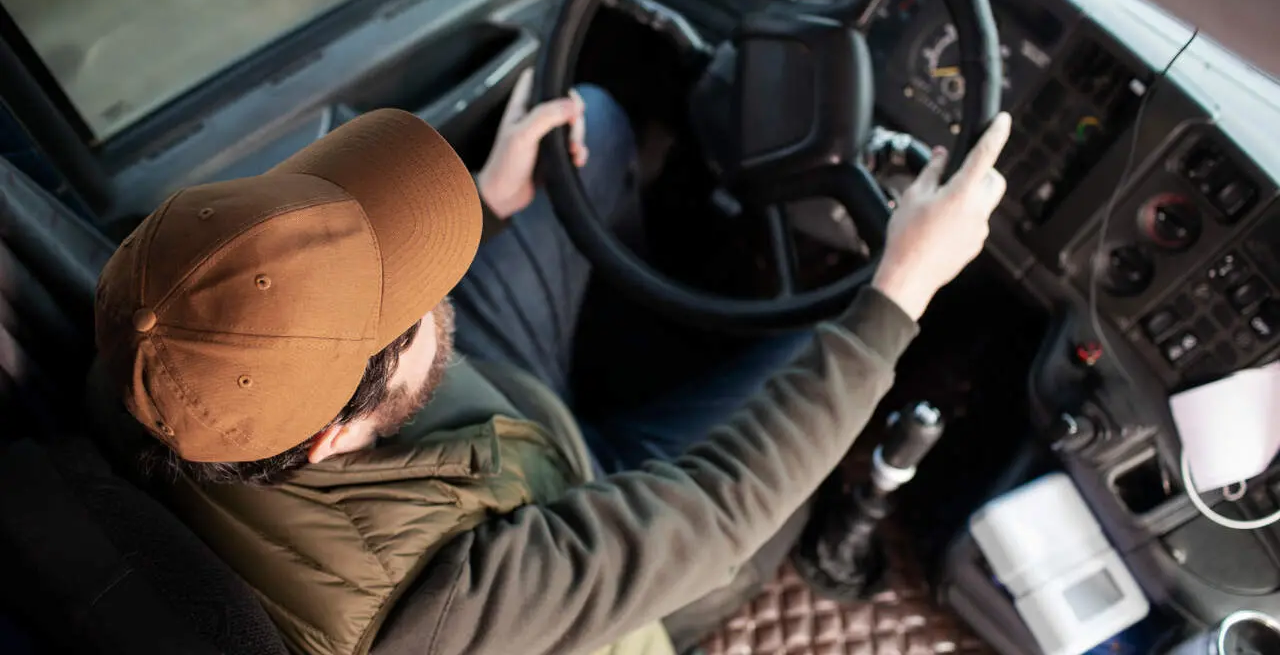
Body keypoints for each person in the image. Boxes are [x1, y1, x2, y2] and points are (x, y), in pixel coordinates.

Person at [91, 65, 1011, 655]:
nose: (436, 290)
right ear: (335, 437)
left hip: (493, 436)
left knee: (593, 129)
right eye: (412, 303)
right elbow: (720, 505)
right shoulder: (427, 618)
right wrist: (901, 288)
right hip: (608, 554)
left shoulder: (148, 343)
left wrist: (486, 206)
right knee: (823, 363)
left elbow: (346, 345)